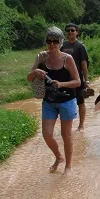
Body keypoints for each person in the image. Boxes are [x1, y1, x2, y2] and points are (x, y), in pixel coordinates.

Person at [27, 27, 82, 173]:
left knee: (66, 134)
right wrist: (35, 72)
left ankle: (68, 166)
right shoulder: (41, 58)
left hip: (67, 100)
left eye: (55, 41)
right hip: (49, 101)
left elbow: (78, 82)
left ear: (60, 42)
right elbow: (29, 78)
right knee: (47, 134)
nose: (52, 44)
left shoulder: (67, 58)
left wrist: (62, 83)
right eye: (49, 41)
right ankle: (58, 156)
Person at [60, 23, 90, 131]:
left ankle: (81, 125)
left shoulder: (80, 46)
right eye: (68, 30)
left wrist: (86, 80)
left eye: (72, 30)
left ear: (77, 32)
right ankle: (68, 126)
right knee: (65, 102)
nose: (70, 32)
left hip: (77, 78)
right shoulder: (63, 46)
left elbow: (84, 64)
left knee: (80, 102)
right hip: (64, 79)